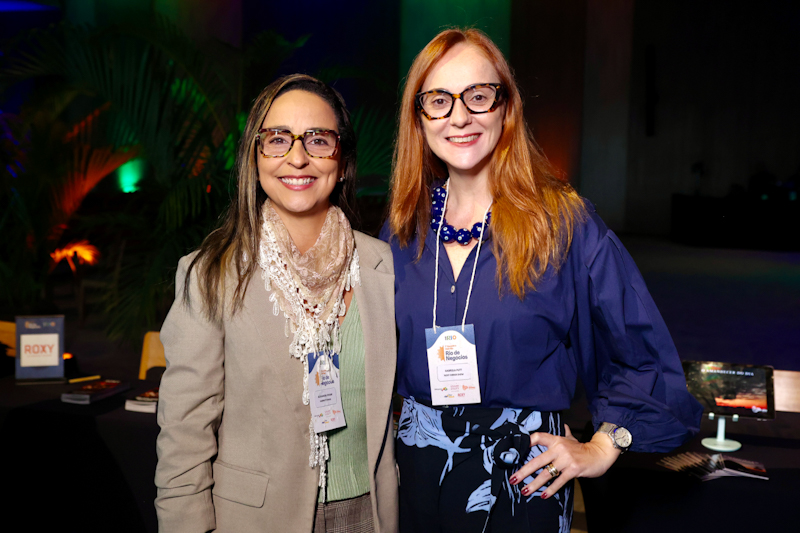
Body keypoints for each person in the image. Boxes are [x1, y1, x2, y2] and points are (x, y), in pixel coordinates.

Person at [380, 28, 702, 533]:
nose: (459, 117)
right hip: (415, 472)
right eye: (439, 101)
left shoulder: (563, 223)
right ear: (419, 120)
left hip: (522, 477)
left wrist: (603, 445)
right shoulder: (403, 230)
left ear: (505, 108)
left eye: (478, 97)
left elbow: (643, 351)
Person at [155, 74, 398, 533]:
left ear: (342, 160)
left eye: (318, 140)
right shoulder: (210, 273)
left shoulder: (380, 264)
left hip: (370, 514)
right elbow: (184, 435)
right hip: (257, 520)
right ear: (255, 156)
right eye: (278, 139)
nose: (298, 157)